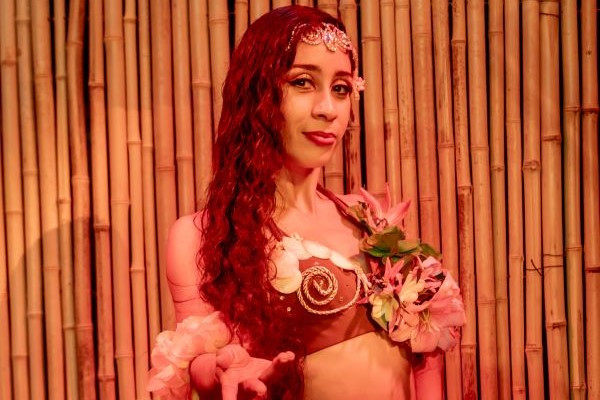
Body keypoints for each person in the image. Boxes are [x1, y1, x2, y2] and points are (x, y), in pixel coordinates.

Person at [148, 5, 464, 399]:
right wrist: (222, 367)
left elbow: (425, 348)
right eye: (302, 82)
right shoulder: (201, 234)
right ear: (257, 93)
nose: (327, 109)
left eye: (341, 88)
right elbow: (194, 360)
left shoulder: (367, 218)